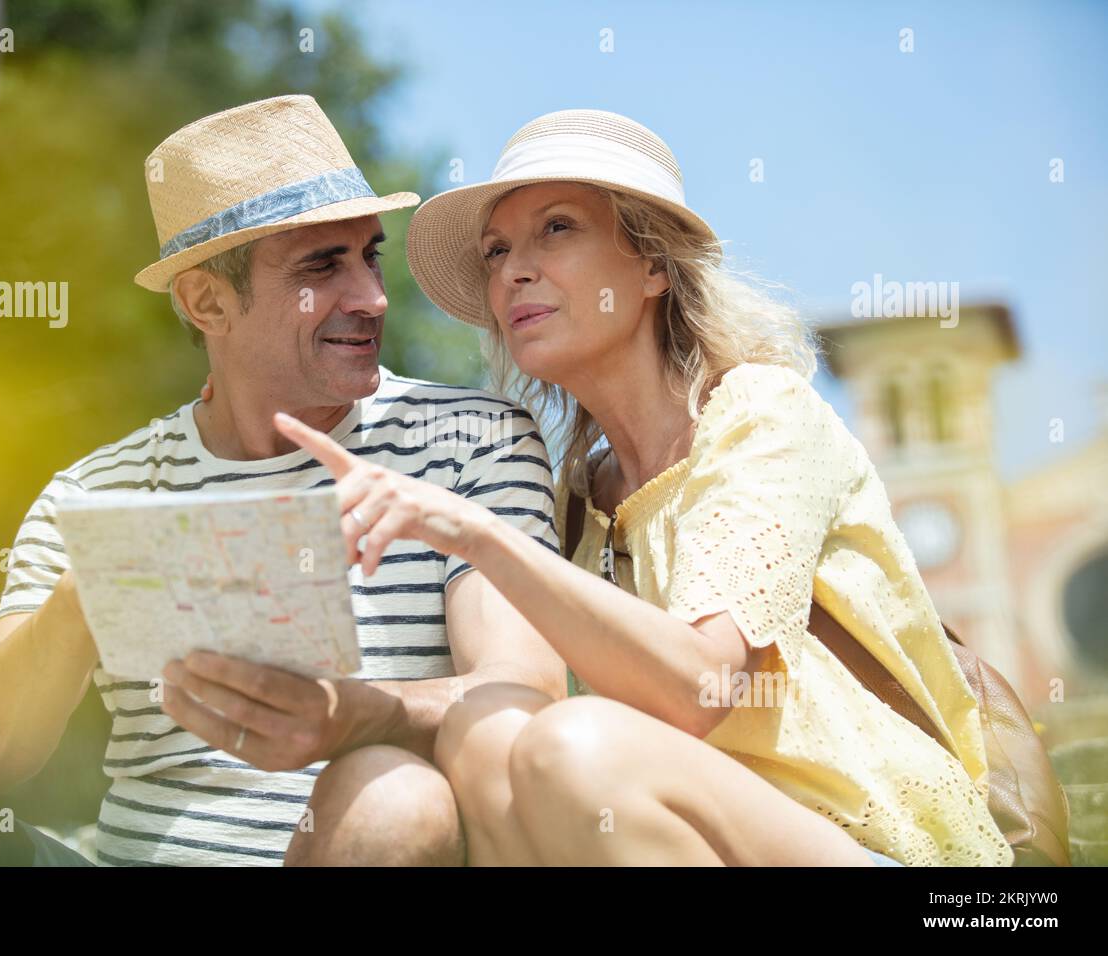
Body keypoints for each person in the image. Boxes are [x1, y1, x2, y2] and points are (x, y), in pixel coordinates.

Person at [0, 95, 565, 867]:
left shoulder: (472, 442)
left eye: (369, 254)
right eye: (320, 266)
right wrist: (84, 598)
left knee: (395, 797)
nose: (371, 298)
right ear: (207, 301)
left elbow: (525, 688)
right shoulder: (96, 488)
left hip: (351, 841)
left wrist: (355, 716)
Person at [275, 107, 1014, 867]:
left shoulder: (761, 412)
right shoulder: (577, 500)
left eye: (557, 228)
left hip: (871, 844)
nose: (513, 270)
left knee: (573, 742)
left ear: (654, 266)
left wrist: (472, 531)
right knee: (482, 728)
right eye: (496, 250)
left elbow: (699, 685)